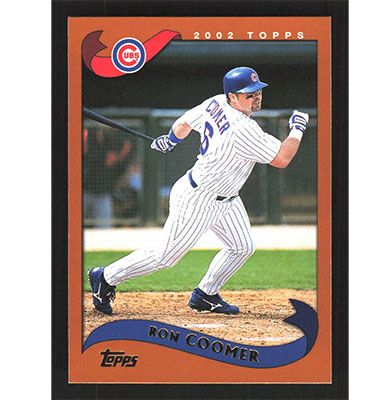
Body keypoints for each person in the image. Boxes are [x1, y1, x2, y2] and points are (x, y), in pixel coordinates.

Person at [88, 66, 309, 315]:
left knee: (242, 247)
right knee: (165, 256)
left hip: (226, 198)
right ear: (232, 97)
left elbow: (184, 122)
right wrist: (297, 129)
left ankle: (205, 294)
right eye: (249, 94)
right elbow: (281, 158)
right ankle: (105, 277)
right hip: (199, 198)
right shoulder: (242, 129)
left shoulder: (216, 102)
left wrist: (171, 139)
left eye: (258, 91)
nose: (256, 97)